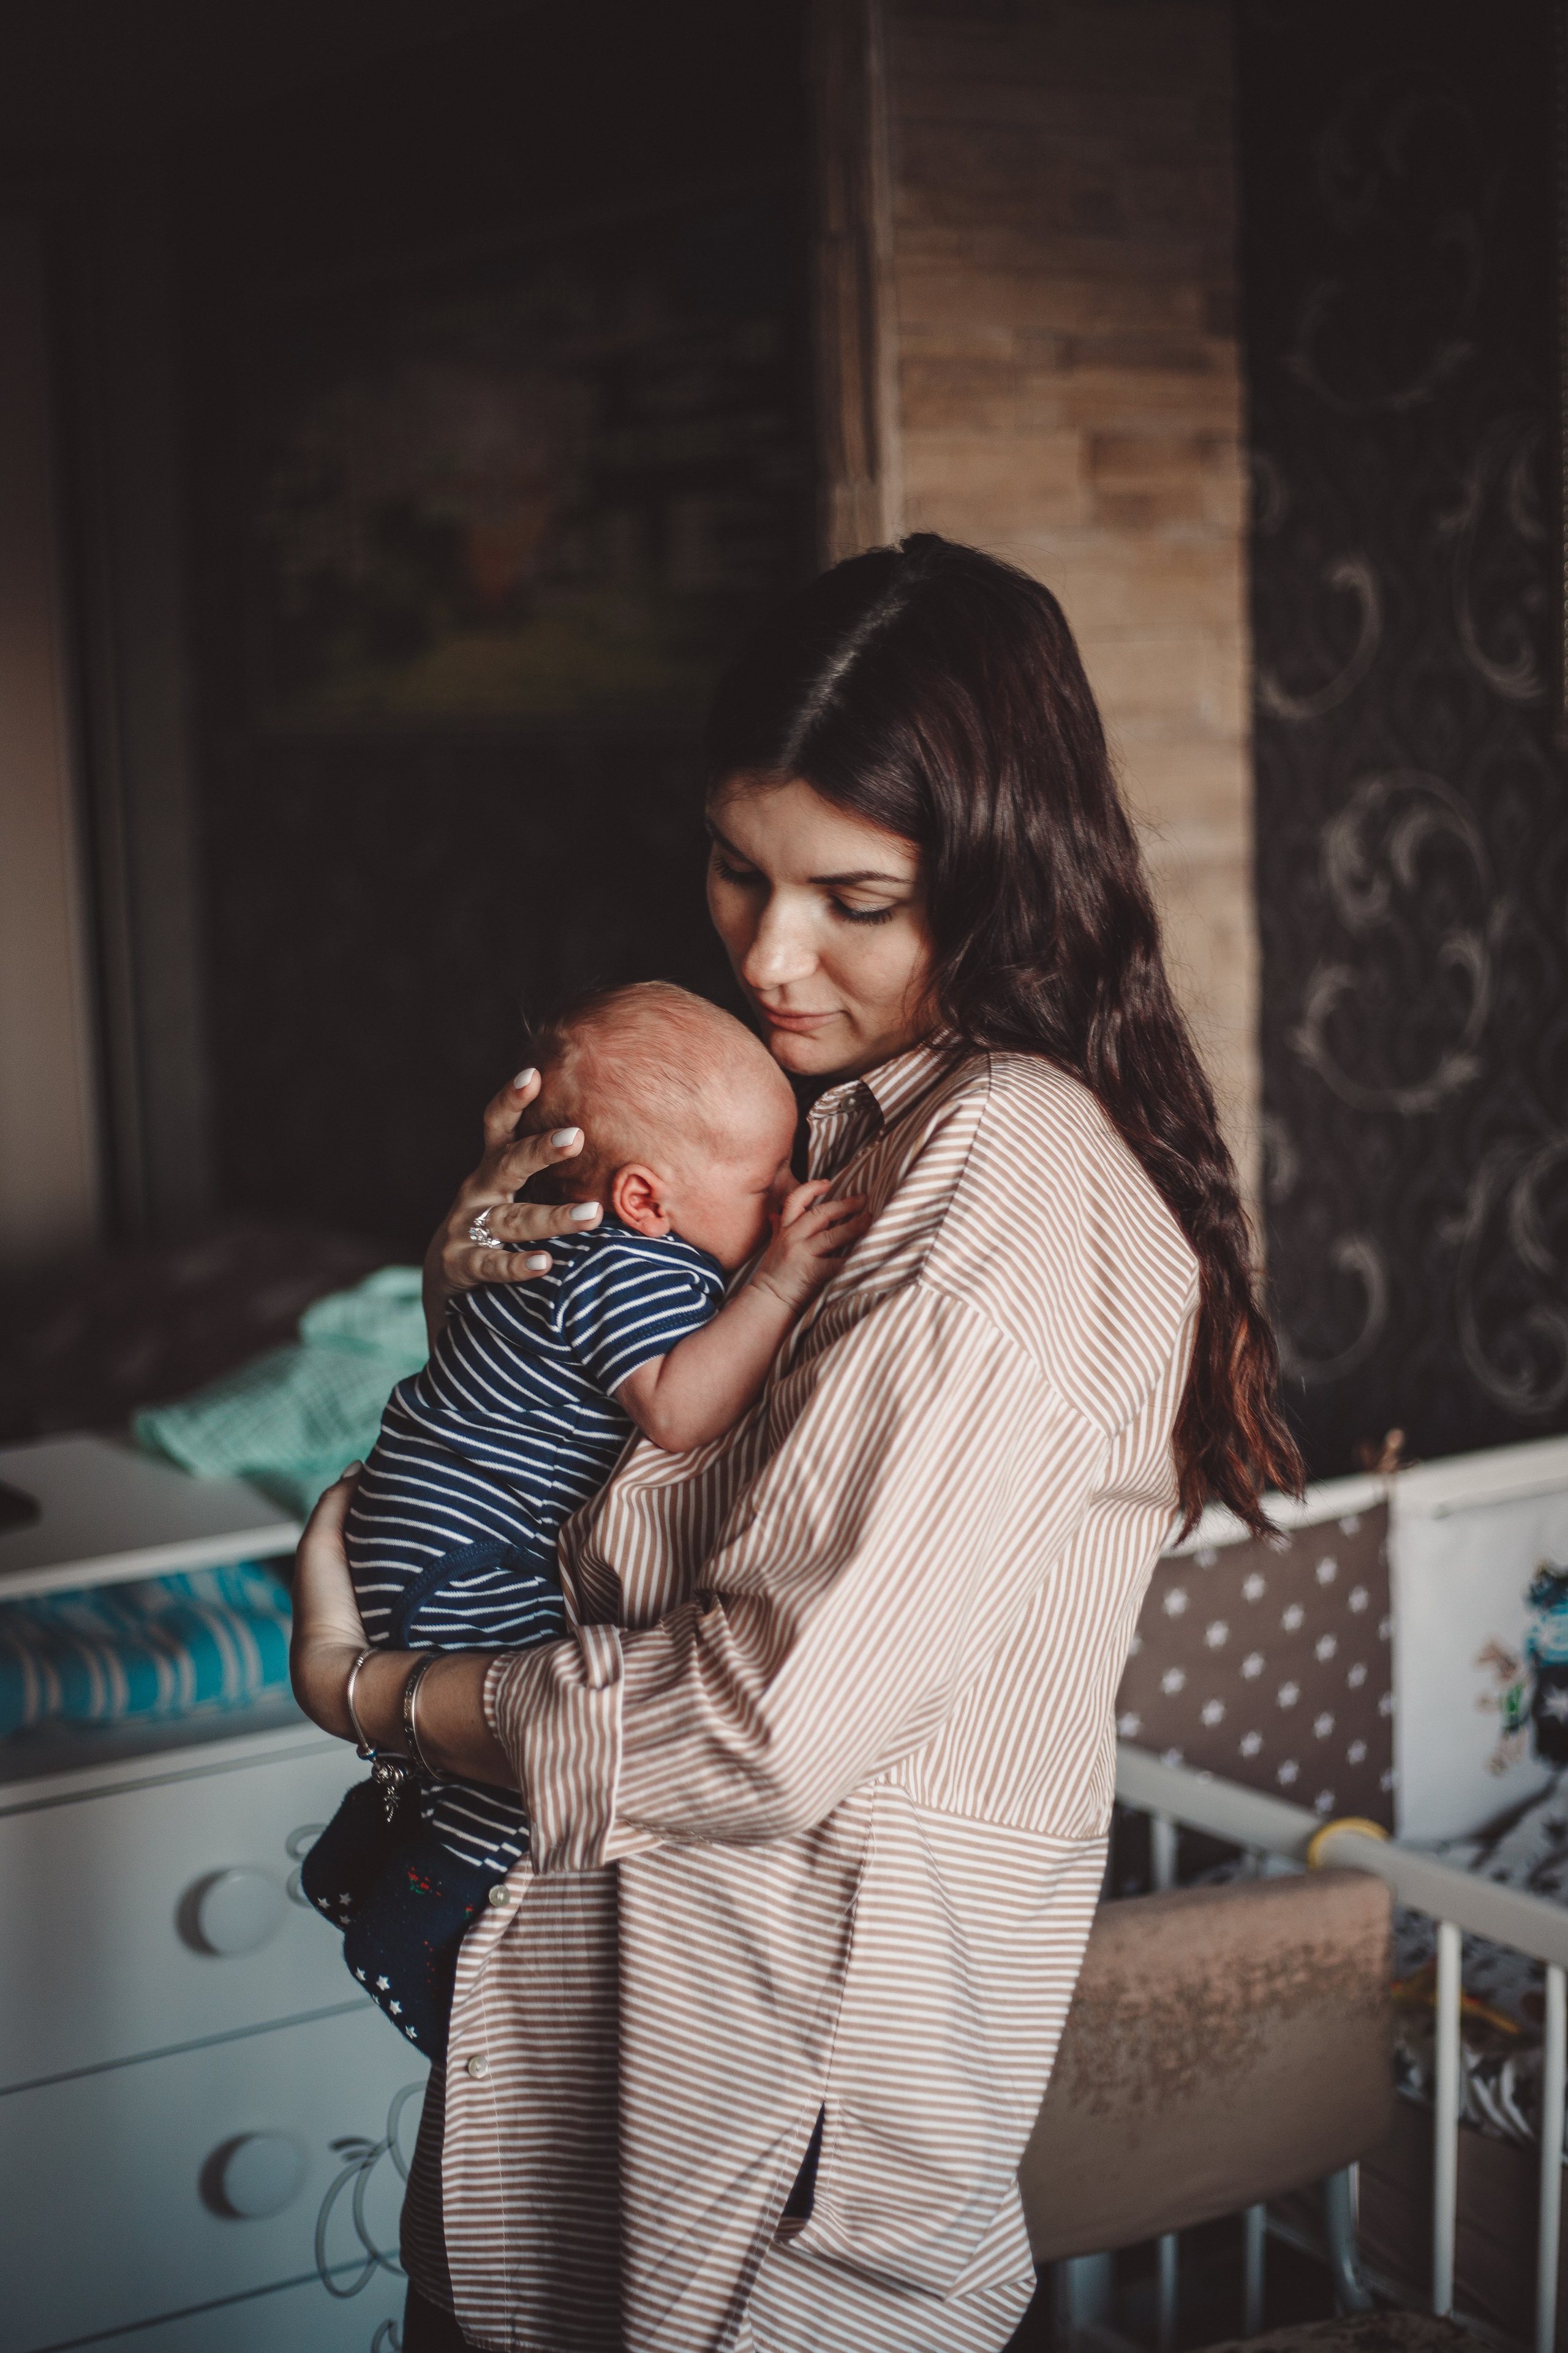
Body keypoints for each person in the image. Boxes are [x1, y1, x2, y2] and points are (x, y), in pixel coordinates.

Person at [290, 534, 1302, 2353]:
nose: (768, 951)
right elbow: (637, 1516)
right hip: (606, 2079)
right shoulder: (823, 1139)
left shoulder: (1006, 1166)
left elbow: (768, 1716)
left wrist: (379, 1693)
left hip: (754, 2169)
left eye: (855, 897)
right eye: (738, 869)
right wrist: (498, 1315)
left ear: (1002, 883)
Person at [307, 982, 862, 2055]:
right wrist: (786, 1278)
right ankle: (404, 1937)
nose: (789, 1189)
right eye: (766, 1177)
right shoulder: (638, 1266)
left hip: (424, 1520)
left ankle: (352, 1862)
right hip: (469, 1543)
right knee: (526, 1759)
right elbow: (676, 1408)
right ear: (649, 1198)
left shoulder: (549, 1246)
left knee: (470, 1732)